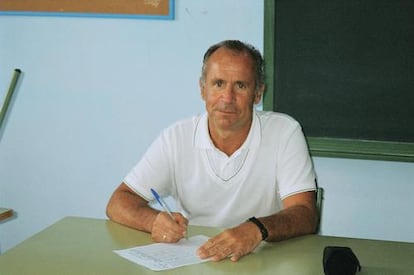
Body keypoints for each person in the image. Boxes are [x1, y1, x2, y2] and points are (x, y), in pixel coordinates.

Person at [106, 40, 318, 262]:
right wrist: (153, 221)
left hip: (263, 258)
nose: (227, 98)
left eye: (240, 86)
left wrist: (256, 229)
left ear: (258, 94)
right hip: (197, 259)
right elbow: (118, 202)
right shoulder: (176, 137)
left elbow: (305, 213)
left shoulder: (284, 132)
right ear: (202, 89)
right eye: (218, 84)